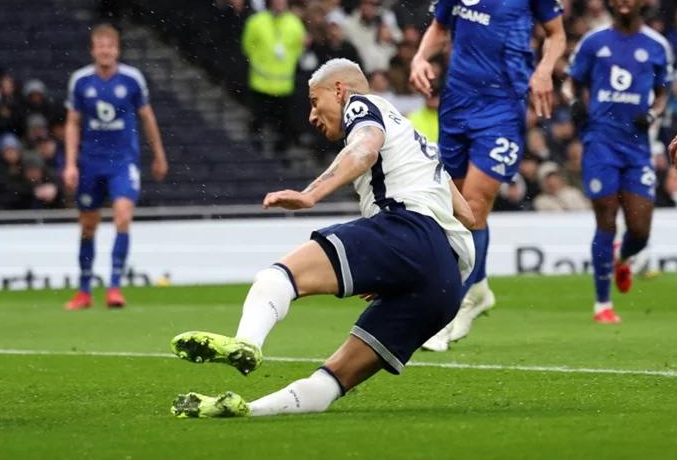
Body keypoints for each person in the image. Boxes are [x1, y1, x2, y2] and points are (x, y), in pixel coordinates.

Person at [169, 59, 475, 418]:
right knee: (335, 377)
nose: (313, 116)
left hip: (407, 231)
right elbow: (468, 216)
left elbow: (364, 149)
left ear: (340, 90)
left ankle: (247, 343)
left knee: (277, 278)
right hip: (444, 285)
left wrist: (311, 194)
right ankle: (248, 410)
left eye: (315, 101)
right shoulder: (417, 141)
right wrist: (401, 270)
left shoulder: (364, 105)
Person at [410, 0, 566, 350]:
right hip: (456, 105)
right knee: (452, 209)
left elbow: (556, 35)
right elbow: (439, 27)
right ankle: (476, 288)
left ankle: (460, 299)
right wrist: (421, 57)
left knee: (475, 205)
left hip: (502, 107)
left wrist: (543, 70)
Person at [566, 0, 671, 323]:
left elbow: (663, 92)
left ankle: (623, 259)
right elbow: (571, 83)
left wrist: (654, 113)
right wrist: (574, 104)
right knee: (606, 217)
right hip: (601, 142)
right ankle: (602, 305)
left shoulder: (656, 45)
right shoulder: (594, 42)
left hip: (638, 147)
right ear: (611, 0)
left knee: (640, 231)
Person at [63, 24, 168, 310]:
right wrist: (70, 163)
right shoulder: (81, 81)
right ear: (93, 49)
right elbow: (72, 122)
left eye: (110, 45)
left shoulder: (132, 79)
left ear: (117, 49)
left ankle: (114, 288)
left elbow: (147, 117)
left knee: (122, 216)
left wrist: (159, 155)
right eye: (100, 45)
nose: (105, 50)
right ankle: (84, 291)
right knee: (88, 225)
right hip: (90, 163)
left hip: (122, 162)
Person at [241, 0, 306, 152]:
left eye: (282, 1)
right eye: (276, 0)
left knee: (283, 124)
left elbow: (300, 49)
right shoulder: (257, 21)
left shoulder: (295, 24)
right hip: (260, 82)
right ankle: (256, 148)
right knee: (258, 121)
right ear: (271, 1)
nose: (279, 4)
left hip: (283, 85)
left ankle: (280, 152)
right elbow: (247, 46)